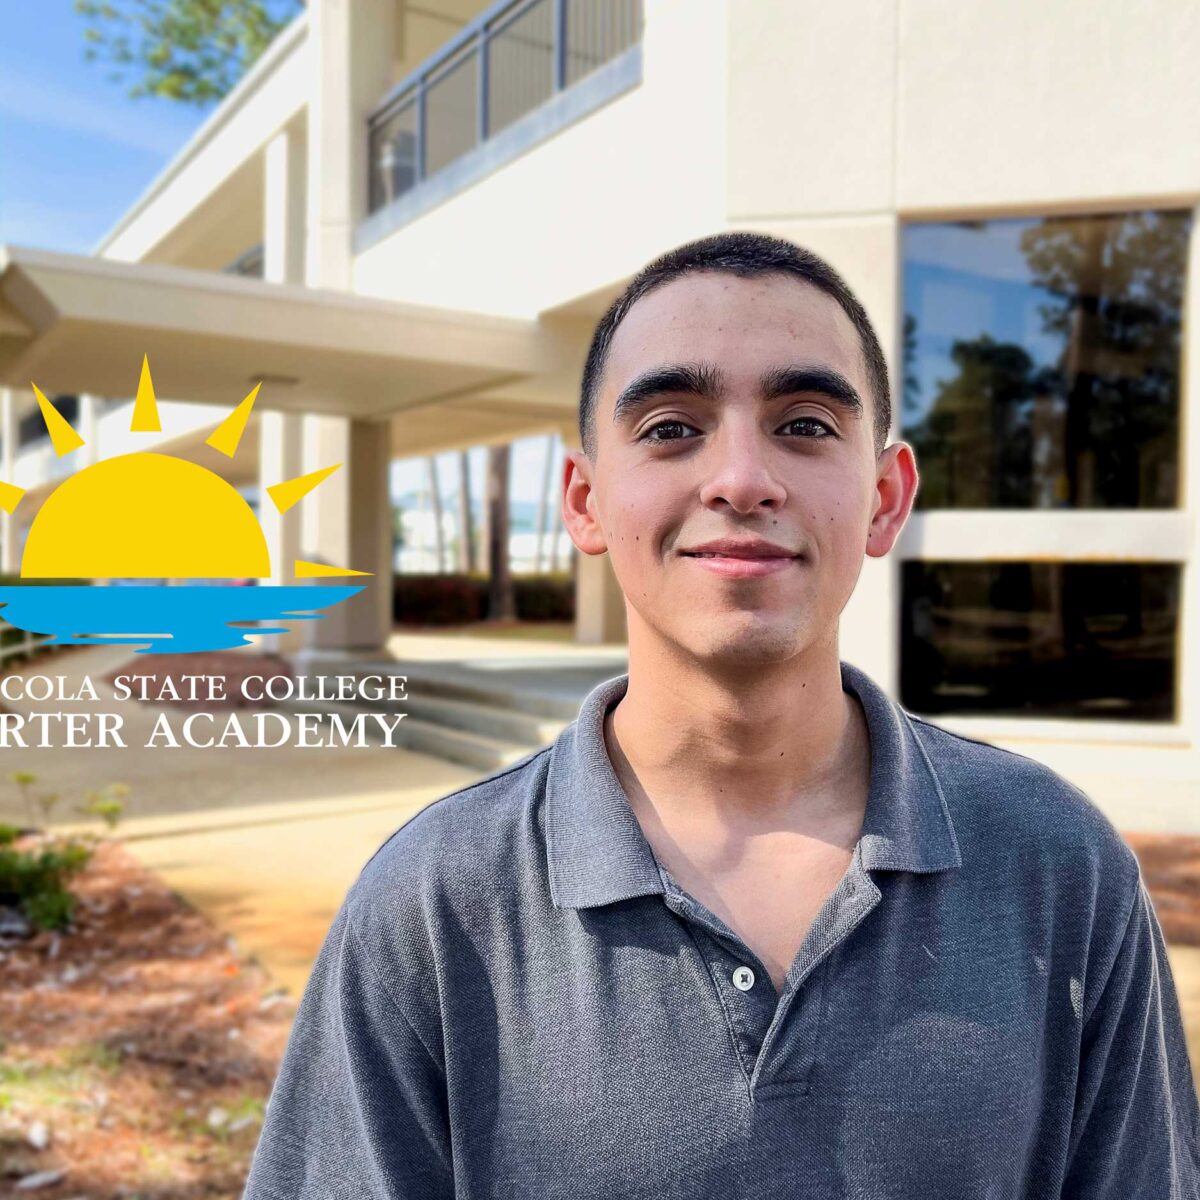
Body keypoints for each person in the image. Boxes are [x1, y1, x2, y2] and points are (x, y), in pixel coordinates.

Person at [241, 231, 1200, 1198]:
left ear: (884, 498)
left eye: (806, 423)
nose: (741, 479)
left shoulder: (1060, 866)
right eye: (670, 427)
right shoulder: (433, 902)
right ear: (585, 500)